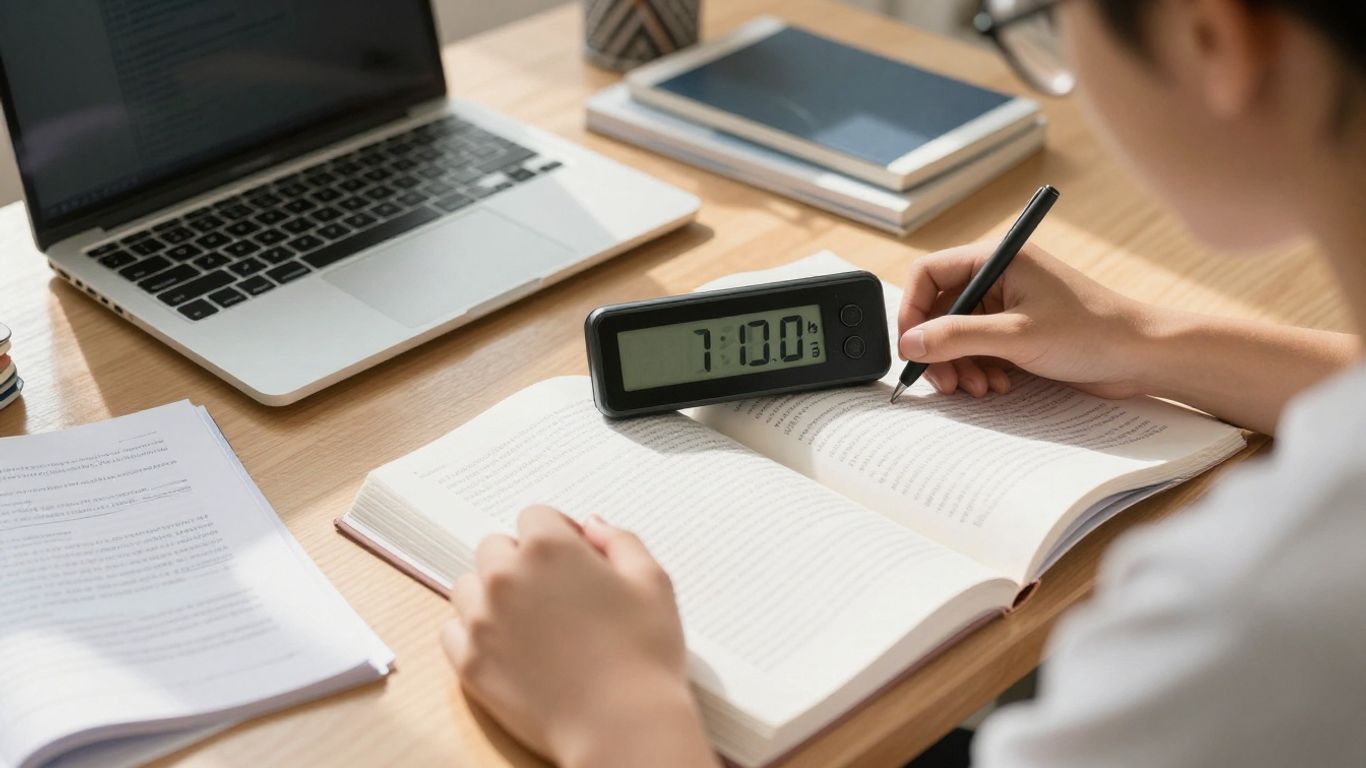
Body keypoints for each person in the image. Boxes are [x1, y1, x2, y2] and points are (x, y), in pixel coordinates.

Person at [438, 0, 1366, 765]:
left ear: (1214, 37)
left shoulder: (1250, 619)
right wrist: (1148, 337)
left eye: (1043, 15)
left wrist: (616, 718)